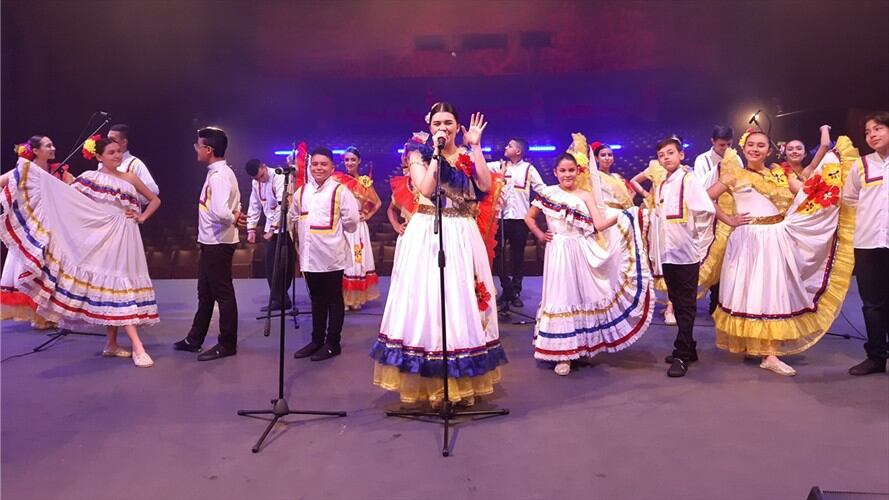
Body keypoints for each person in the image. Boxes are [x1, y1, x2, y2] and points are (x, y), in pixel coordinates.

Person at [370, 102, 506, 407]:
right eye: (436, 123)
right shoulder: (416, 152)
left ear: (458, 125)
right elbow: (427, 188)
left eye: (448, 122)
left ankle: (460, 379)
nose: (442, 128)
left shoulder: (468, 155)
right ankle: (430, 383)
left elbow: (484, 186)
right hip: (428, 230)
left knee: (462, 301)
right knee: (429, 302)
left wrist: (477, 147)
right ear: (429, 126)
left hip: (461, 231)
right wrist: (436, 153)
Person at [703, 128, 855, 376]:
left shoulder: (779, 172)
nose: (755, 149)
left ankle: (769, 351)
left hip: (776, 238)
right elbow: (704, 197)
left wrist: (829, 180)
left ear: (770, 150)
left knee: (773, 292)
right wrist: (728, 219)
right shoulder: (734, 173)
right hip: (749, 239)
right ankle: (764, 350)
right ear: (743, 148)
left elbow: (804, 191)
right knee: (751, 292)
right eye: (751, 144)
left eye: (761, 145)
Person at [0, 137, 161, 367]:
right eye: (111, 152)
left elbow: (155, 199)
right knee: (114, 287)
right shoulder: (90, 178)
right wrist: (33, 176)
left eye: (118, 152)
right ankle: (137, 346)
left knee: (118, 286)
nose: (116, 156)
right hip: (102, 238)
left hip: (126, 236)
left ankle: (111, 344)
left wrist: (142, 217)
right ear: (98, 156)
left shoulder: (130, 177)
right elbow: (65, 197)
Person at [525, 152, 653, 375]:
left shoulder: (585, 195)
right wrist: (538, 234)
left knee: (580, 296)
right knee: (560, 296)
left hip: (581, 248)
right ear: (555, 172)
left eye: (571, 170)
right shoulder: (548, 193)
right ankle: (561, 354)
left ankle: (579, 346)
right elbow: (529, 216)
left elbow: (600, 224)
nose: (567, 174)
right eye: (562, 170)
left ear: (578, 171)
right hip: (558, 250)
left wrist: (627, 214)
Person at [632, 136, 716, 377]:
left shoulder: (689, 180)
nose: (666, 158)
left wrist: (698, 245)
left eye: (670, 153)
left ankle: (681, 353)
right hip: (667, 254)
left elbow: (707, 212)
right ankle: (689, 347)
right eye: (661, 155)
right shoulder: (662, 184)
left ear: (681, 155)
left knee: (686, 304)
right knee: (678, 302)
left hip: (686, 254)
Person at [174, 127, 245, 361]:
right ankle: (195, 338)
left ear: (209, 149)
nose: (196, 149)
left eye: (198, 146)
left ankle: (227, 343)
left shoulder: (221, 175)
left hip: (218, 242)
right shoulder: (216, 173)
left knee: (222, 293)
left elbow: (220, 211)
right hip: (209, 241)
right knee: (205, 293)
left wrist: (233, 217)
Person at [290, 147, 360, 361]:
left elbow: (351, 222)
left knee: (333, 300)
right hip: (309, 257)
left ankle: (332, 342)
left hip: (331, 256)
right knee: (316, 300)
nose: (318, 168)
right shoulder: (301, 192)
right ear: (309, 167)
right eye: (315, 164)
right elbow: (293, 217)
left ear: (332, 167)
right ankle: (316, 340)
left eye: (323, 164)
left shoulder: (340, 191)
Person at [2, 135, 73, 328]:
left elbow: (75, 191)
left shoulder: (59, 171)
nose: (53, 148)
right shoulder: (24, 169)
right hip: (33, 229)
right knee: (36, 270)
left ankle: (49, 315)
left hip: (54, 228)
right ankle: (39, 316)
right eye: (48, 145)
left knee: (51, 272)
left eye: (52, 144)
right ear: (36, 151)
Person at [844, 111, 889, 376]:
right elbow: (850, 199)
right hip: (868, 242)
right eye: (867, 132)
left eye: (878, 129)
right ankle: (875, 357)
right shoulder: (860, 165)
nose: (872, 135)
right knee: (872, 304)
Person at [487, 138, 545, 309]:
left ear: (518, 151)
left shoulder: (529, 169)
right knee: (496, 254)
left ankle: (516, 290)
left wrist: (537, 206)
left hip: (520, 218)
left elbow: (541, 189)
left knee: (517, 255)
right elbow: (479, 164)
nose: (506, 147)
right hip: (500, 217)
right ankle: (507, 288)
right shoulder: (499, 165)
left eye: (510, 146)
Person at [333, 147, 381, 310]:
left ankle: (355, 298)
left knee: (357, 259)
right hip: (343, 226)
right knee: (342, 259)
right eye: (347, 160)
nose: (349, 163)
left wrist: (366, 216)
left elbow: (378, 203)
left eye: (353, 159)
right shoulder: (338, 179)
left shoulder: (364, 182)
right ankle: (343, 298)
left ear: (359, 161)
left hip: (358, 230)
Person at [245, 159, 293, 311]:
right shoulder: (255, 183)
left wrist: (273, 229)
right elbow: (254, 205)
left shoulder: (278, 177)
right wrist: (251, 228)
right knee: (270, 264)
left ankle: (283, 298)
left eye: (261, 175)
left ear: (264, 167)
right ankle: (279, 299)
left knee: (287, 265)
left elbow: (282, 205)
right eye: (257, 178)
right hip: (270, 227)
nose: (260, 179)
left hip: (286, 227)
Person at [104, 123, 160, 203]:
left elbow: (153, 191)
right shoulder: (104, 162)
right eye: (107, 139)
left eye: (113, 140)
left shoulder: (135, 164)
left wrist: (131, 201)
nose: (108, 142)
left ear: (124, 142)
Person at [591, 141, 635, 209]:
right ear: (596, 158)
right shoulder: (595, 176)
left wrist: (626, 204)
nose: (607, 158)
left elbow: (632, 192)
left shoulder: (617, 176)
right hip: (607, 212)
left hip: (623, 211)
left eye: (610, 155)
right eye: (603, 155)